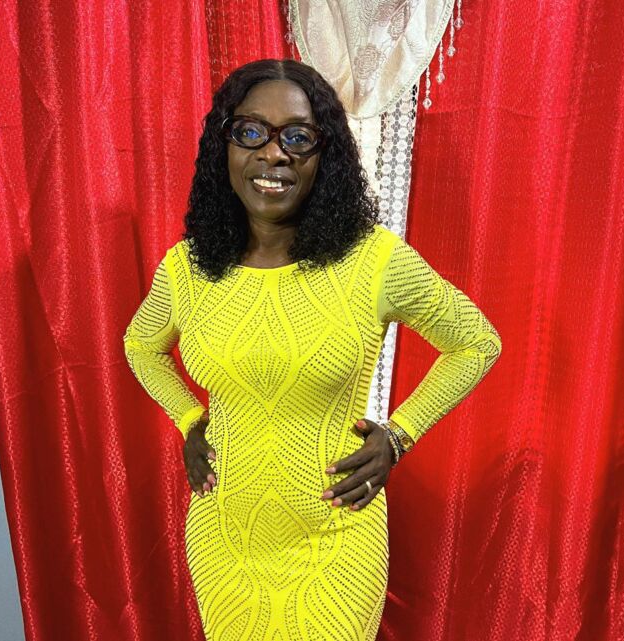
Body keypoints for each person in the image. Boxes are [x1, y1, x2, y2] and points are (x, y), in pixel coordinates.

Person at [123, 58, 502, 641]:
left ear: (326, 155)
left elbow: (476, 342)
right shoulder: (188, 269)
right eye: (251, 132)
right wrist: (189, 418)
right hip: (225, 540)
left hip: (335, 538)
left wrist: (398, 436)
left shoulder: (374, 261)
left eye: (298, 138)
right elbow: (141, 346)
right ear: (224, 146)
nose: (274, 154)